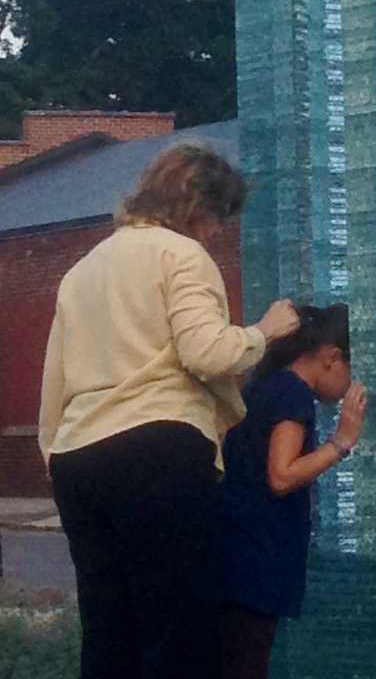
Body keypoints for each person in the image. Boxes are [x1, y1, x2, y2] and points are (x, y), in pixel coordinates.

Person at [38, 143, 299, 679]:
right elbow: (207, 353)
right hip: (159, 449)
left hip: (77, 457)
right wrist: (265, 331)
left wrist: (57, 457)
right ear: (198, 207)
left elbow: (55, 385)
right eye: (219, 218)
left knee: (108, 630)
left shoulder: (82, 271)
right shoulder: (181, 255)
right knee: (177, 629)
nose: (219, 232)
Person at [210, 303, 368, 679]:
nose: (351, 387)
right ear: (332, 357)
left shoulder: (266, 385)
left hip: (233, 555)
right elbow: (280, 476)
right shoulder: (292, 394)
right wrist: (341, 443)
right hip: (255, 561)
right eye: (352, 373)